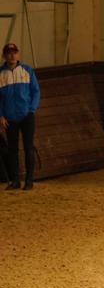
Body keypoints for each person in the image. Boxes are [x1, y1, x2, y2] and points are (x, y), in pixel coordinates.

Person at [0, 42, 40, 191]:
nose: (12, 55)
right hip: (9, 118)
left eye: (14, 52)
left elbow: (35, 91)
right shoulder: (0, 73)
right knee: (12, 149)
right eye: (9, 52)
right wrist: (1, 115)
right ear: (5, 55)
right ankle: (15, 180)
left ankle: (29, 180)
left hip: (26, 115)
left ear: (18, 54)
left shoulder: (27, 70)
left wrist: (32, 109)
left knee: (29, 147)